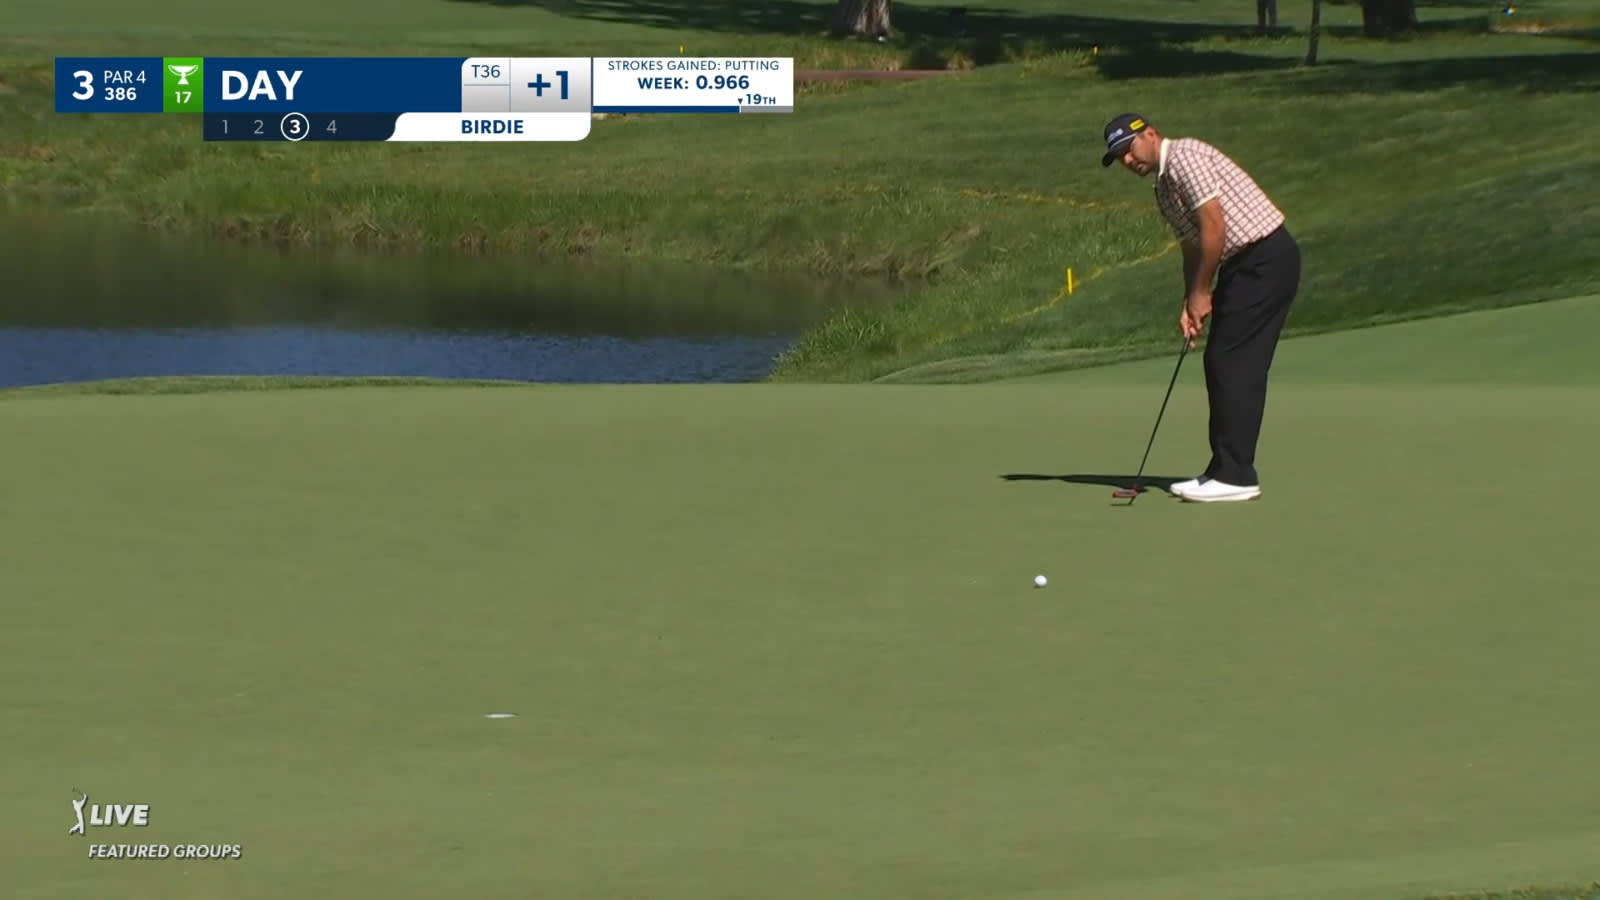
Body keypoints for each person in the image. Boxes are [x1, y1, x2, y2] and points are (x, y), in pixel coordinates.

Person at [1099, 113, 1301, 503]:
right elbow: (1192, 246)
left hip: (1265, 258)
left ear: (1151, 134)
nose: (1127, 161)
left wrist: (1202, 291)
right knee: (1223, 361)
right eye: (1119, 157)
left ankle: (1237, 475)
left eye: (1129, 149)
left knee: (1233, 362)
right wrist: (1191, 299)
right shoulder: (1162, 188)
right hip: (1244, 266)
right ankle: (1223, 470)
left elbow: (1214, 227)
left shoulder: (1185, 157)